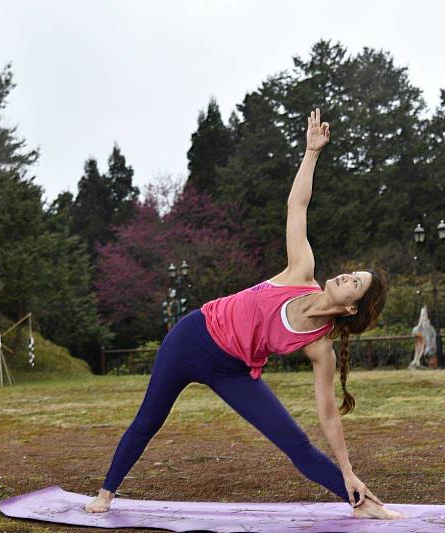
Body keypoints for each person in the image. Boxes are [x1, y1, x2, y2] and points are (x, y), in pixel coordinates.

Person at [85, 109, 405, 520]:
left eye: (354, 283)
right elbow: (297, 205)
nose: (346, 275)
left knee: (296, 445)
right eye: (352, 273)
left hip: (232, 369)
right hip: (191, 339)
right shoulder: (300, 271)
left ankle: (361, 502)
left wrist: (348, 471)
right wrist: (311, 154)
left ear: (350, 307)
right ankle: (106, 493)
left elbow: (327, 415)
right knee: (149, 420)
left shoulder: (319, 347)